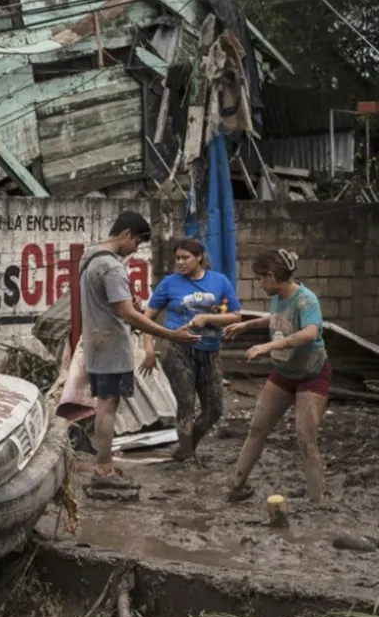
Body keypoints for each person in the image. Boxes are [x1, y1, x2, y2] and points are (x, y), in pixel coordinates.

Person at [80, 211, 201, 478]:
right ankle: (103, 465)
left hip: (96, 341)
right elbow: (128, 313)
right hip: (111, 345)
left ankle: (103, 462)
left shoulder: (89, 256)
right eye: (136, 243)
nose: (134, 250)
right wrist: (169, 335)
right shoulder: (111, 266)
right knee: (108, 405)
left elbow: (115, 304)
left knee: (105, 402)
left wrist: (128, 304)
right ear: (125, 235)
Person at [222, 249, 331, 503]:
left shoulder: (307, 300)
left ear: (271, 276)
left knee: (305, 438)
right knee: (257, 428)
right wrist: (249, 324)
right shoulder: (279, 296)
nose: (258, 284)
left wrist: (268, 346)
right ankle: (236, 487)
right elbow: (279, 317)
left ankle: (318, 501)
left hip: (311, 375)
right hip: (284, 373)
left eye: (260, 278)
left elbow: (310, 333)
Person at [139, 238, 242, 461]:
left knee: (214, 409)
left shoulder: (219, 282)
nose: (181, 262)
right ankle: (187, 457)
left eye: (186, 258)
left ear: (199, 257)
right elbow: (147, 317)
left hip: (209, 350)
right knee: (186, 403)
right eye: (177, 258)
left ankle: (186, 449)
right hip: (177, 349)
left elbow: (235, 315)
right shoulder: (169, 283)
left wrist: (207, 318)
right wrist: (148, 348)